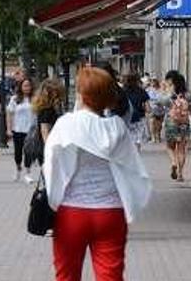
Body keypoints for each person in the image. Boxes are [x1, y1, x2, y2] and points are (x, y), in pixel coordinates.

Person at [44, 67, 151, 281]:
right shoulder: (117, 127)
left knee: (67, 275)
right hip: (110, 211)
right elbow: (132, 167)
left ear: (82, 95)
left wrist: (53, 200)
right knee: (110, 276)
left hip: (72, 211)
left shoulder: (66, 124)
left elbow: (52, 166)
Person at [163, 70, 191, 182]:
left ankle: (173, 162)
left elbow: (161, 103)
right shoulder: (188, 95)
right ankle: (180, 174)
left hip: (171, 123)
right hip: (184, 124)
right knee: (182, 149)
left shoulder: (169, 95)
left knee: (169, 147)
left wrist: (165, 90)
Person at [5, 77, 36, 182]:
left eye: (29, 86)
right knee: (18, 153)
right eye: (25, 86)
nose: (27, 88)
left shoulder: (35, 99)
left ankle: (28, 173)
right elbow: (9, 114)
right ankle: (18, 168)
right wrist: (9, 129)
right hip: (18, 129)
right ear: (21, 87)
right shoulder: (15, 99)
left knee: (29, 152)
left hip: (31, 130)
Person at [122, 74, 150, 152]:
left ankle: (131, 146)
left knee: (129, 132)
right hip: (139, 114)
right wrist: (148, 110)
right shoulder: (141, 90)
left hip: (126, 115)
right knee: (138, 131)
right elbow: (147, 104)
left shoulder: (123, 91)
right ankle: (137, 144)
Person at [145, 78, 167, 143]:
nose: (153, 83)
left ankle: (158, 136)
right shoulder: (149, 90)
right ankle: (153, 137)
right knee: (152, 122)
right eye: (152, 82)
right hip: (152, 108)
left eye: (154, 81)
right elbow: (147, 99)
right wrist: (147, 107)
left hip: (160, 109)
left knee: (159, 124)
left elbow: (164, 98)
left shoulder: (161, 90)